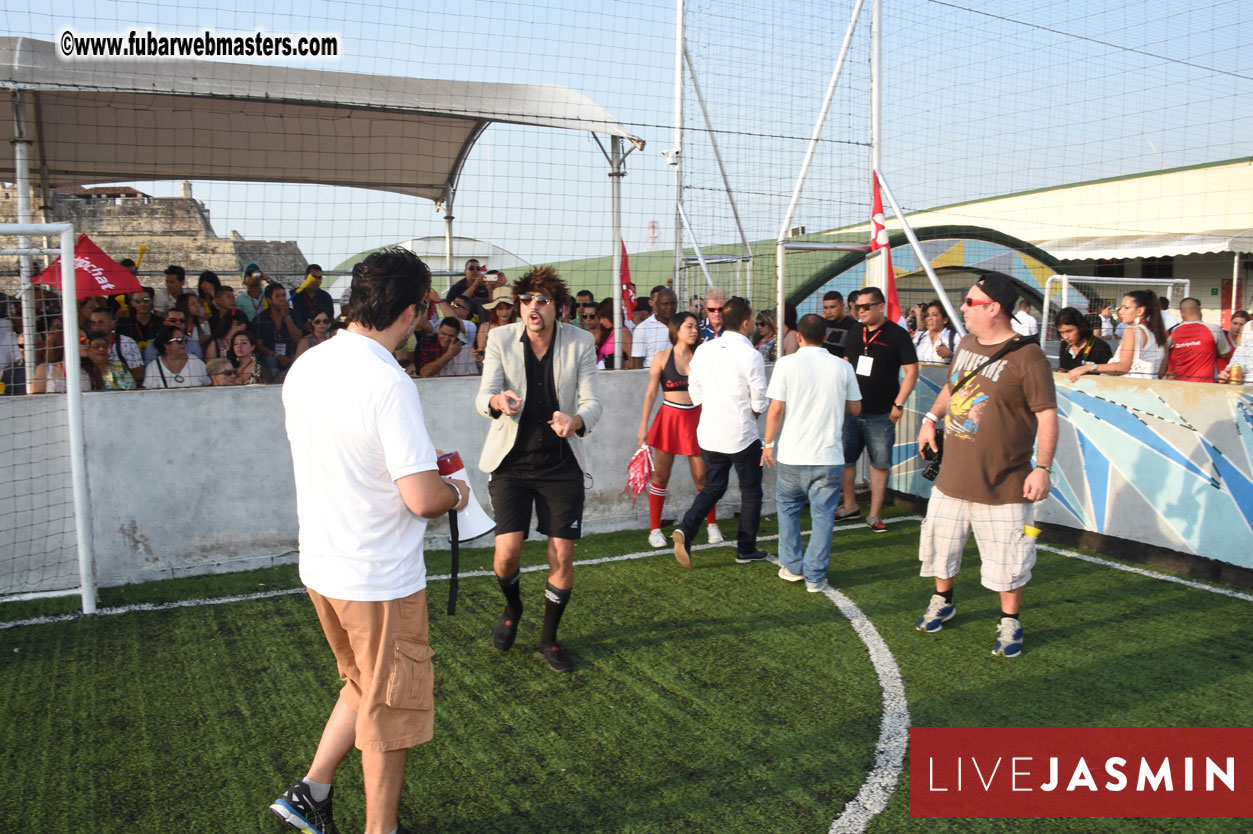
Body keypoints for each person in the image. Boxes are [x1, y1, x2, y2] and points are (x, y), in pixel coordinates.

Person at [276, 246, 469, 834]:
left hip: (323, 565)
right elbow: (422, 498)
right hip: (377, 575)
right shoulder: (388, 381)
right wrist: (458, 492)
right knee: (391, 710)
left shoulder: (307, 363)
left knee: (363, 684)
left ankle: (310, 792)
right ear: (411, 311)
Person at [914, 273, 1057, 659]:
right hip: (951, 480)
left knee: (1010, 560)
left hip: (1004, 485)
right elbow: (952, 388)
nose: (963, 308)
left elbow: (1046, 416)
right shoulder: (965, 344)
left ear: (994, 308)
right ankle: (943, 600)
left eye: (971, 302)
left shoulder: (1029, 358)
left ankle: (1010, 620)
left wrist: (1042, 467)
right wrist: (930, 418)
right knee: (940, 549)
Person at [475, 266, 601, 674]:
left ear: (557, 308)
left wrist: (576, 420)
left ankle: (549, 639)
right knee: (506, 555)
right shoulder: (499, 338)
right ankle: (513, 606)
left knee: (562, 556)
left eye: (541, 300)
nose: (532, 307)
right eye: (526, 300)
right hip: (511, 464)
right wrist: (499, 402)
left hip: (560, 464)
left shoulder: (580, 342)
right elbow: (484, 395)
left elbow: (592, 402)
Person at [761, 314, 862, 592]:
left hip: (793, 455)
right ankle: (816, 577)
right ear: (826, 336)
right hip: (829, 458)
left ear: (800, 337)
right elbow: (856, 408)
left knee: (788, 508)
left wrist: (768, 444)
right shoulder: (842, 367)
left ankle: (793, 567)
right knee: (822, 517)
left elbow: (776, 409)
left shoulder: (786, 363)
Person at [672, 296, 769, 568]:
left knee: (714, 486)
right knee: (751, 490)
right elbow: (759, 397)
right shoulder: (751, 354)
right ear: (746, 322)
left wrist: (712, 407)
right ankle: (746, 548)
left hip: (710, 432)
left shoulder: (704, 350)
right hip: (741, 434)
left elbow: (695, 390)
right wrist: (754, 412)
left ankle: (687, 527)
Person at [637, 311, 723, 549]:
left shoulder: (702, 357)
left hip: (697, 418)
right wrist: (643, 425)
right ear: (676, 330)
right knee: (661, 476)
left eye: (696, 326)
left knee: (703, 478)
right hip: (670, 419)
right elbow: (651, 392)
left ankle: (711, 524)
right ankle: (654, 529)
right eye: (689, 326)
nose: (694, 331)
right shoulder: (662, 357)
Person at [836, 286, 919, 532]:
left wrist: (899, 403)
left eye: (864, 307)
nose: (859, 311)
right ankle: (850, 505)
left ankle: (874, 514)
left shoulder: (897, 335)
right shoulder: (854, 332)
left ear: (880, 306)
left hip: (882, 413)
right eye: (856, 307)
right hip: (852, 410)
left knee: (880, 464)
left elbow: (912, 371)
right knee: (846, 459)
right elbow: (847, 365)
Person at [1067, 290, 1167, 382]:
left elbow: (1123, 367)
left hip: (1129, 391)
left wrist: (1088, 367)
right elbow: (1161, 372)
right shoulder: (1159, 334)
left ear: (1140, 311)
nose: (1121, 311)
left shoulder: (1132, 331)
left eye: (1126, 308)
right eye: (1121, 307)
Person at [1166, 297, 1232, 382]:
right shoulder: (1214, 329)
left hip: (1181, 383)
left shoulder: (1175, 331)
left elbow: (1164, 349)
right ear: (1200, 310)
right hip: (1205, 384)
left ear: (1181, 313)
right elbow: (1225, 353)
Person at [255, 283, 305, 379]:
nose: (282, 299)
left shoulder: (294, 314)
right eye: (277, 296)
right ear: (269, 300)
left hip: (291, 354)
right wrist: (276, 355)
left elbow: (297, 337)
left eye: (283, 295)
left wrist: (287, 316)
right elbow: (259, 346)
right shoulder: (261, 318)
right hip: (270, 356)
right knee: (270, 364)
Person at [86, 306, 146, 386]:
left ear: (112, 323)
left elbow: (139, 374)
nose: (96, 327)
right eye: (93, 323)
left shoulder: (127, 343)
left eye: (101, 323)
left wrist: (117, 380)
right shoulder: (85, 345)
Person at [143, 326, 210, 388]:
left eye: (184, 339)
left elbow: (209, 385)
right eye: (179, 340)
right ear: (166, 345)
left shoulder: (196, 362)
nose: (183, 343)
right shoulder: (153, 367)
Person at [628, 288, 677, 368]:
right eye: (665, 304)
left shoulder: (682, 324)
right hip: (652, 376)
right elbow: (637, 362)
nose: (669, 307)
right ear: (657, 304)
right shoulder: (643, 328)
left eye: (673, 303)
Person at [1054, 306, 1113, 372]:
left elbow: (1108, 374)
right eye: (1061, 332)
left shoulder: (1100, 347)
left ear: (1080, 327)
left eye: (1069, 331)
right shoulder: (1064, 345)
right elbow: (1063, 368)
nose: (1065, 337)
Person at [114, 290, 164, 354]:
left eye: (146, 300)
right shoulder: (123, 324)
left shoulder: (161, 323)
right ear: (132, 303)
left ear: (151, 301)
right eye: (138, 301)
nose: (142, 304)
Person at [475, 286, 516, 362]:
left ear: (513, 309)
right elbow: (481, 354)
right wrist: (478, 355)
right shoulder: (485, 327)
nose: (504, 312)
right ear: (494, 309)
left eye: (508, 308)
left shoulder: (518, 328)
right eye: (500, 308)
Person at [291, 264, 336, 333]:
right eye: (313, 277)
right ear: (305, 277)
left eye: (319, 278)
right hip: (298, 334)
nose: (316, 280)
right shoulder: (293, 295)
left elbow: (331, 318)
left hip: (321, 335)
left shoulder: (326, 297)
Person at [912, 300, 958, 364]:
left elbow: (963, 363)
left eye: (935, 315)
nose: (929, 318)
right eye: (927, 315)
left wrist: (950, 355)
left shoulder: (954, 337)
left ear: (945, 320)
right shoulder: (920, 337)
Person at [593, 298, 632, 369]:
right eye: (599, 318)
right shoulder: (605, 333)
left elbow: (633, 363)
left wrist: (617, 363)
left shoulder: (624, 334)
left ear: (612, 315)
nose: (601, 321)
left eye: (603, 317)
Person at [821, 290, 856, 357]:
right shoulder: (821, 324)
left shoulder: (853, 326)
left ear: (842, 306)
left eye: (832, 307)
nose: (828, 312)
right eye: (825, 308)